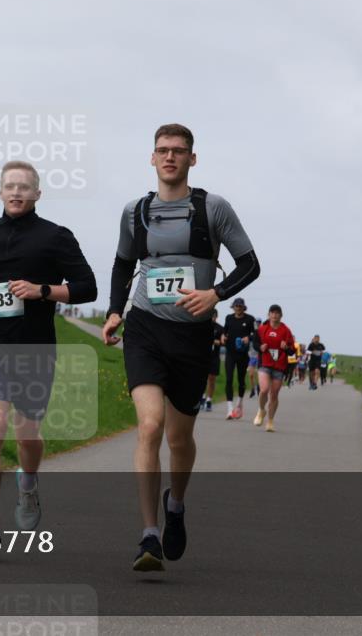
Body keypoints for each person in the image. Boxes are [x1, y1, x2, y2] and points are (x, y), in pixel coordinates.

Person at [101, 123, 259, 571]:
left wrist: (216, 294)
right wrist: (115, 311)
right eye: (162, 150)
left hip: (192, 336)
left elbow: (250, 263)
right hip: (145, 328)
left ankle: (177, 504)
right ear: (152, 159)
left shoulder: (213, 208)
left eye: (179, 151)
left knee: (179, 437)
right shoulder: (135, 212)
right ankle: (148, 534)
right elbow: (121, 263)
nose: (170, 157)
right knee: (149, 426)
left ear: (192, 159)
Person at [0, 160, 97, 550]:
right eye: (9, 186)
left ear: (37, 194)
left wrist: (43, 291)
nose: (16, 192)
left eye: (24, 187)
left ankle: (28, 482)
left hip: (35, 351)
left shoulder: (55, 237)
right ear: (0, 192)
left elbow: (87, 287)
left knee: (28, 435)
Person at [254, 304, 295, 432]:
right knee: (264, 389)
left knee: (274, 394)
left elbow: (292, 351)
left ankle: (270, 422)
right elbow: (255, 343)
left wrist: (286, 348)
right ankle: (261, 410)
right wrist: (260, 348)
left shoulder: (286, 331)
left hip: (279, 366)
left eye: (277, 313)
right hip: (265, 364)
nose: (275, 315)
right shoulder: (262, 329)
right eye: (272, 313)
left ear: (281, 316)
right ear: (268, 315)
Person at [223, 298, 258, 419]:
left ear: (244, 307)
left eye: (240, 306)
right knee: (228, 379)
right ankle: (229, 409)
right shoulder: (229, 318)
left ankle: (239, 403)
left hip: (243, 354)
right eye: (236, 306)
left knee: (241, 380)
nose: (238, 308)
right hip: (230, 353)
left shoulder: (249, 319)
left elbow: (255, 334)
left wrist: (248, 337)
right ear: (233, 307)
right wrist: (223, 337)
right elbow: (224, 331)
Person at [200, 308, 226, 412]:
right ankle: (201, 398)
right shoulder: (202, 326)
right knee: (202, 379)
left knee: (212, 379)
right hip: (203, 356)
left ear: (216, 317)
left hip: (214, 357)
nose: (212, 318)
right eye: (210, 316)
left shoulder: (220, 328)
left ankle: (209, 400)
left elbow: (224, 342)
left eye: (214, 316)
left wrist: (216, 342)